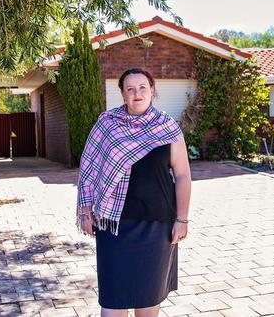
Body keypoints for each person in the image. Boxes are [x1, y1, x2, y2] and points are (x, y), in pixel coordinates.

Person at [76, 68, 191, 317]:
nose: (137, 93)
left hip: (157, 225)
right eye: (130, 89)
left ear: (152, 90)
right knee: (113, 304)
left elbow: (182, 175)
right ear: (123, 94)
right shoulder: (106, 125)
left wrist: (181, 219)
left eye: (142, 87)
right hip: (113, 225)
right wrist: (85, 210)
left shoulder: (167, 128)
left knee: (148, 303)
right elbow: (88, 168)